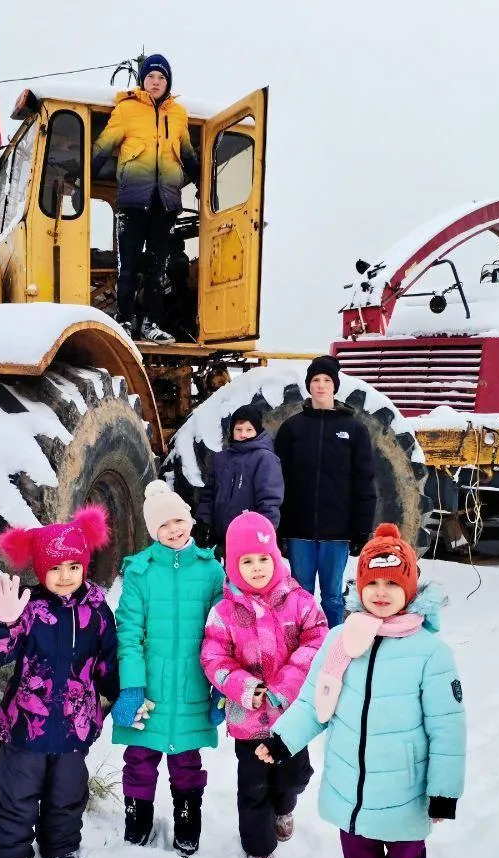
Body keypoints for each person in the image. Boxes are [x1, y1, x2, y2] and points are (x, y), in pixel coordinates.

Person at [256, 524, 465, 858]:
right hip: (351, 790)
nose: (383, 593)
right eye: (374, 583)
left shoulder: (430, 652)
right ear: (360, 586)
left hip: (404, 794)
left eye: (393, 583)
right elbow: (315, 702)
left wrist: (443, 792)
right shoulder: (341, 640)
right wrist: (281, 741)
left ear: (410, 588)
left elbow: (448, 728)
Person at [0, 505, 118, 858]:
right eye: (55, 568)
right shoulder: (30, 608)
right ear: (42, 570)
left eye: (73, 567)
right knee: (18, 793)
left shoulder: (96, 608)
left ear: (84, 566)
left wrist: (121, 693)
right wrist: (5, 623)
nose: (65, 576)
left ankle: (60, 847)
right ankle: (12, 854)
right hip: (28, 725)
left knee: (67, 794)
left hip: (76, 727)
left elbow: (107, 658)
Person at [200, 511, 327, 858]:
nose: (257, 568)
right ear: (233, 564)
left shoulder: (299, 601)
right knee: (253, 789)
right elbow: (213, 657)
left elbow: (317, 642)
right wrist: (244, 687)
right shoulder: (224, 612)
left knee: (292, 777)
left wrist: (283, 688)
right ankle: (259, 846)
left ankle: (285, 808)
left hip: (291, 718)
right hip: (248, 719)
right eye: (247, 561)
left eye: (263, 559)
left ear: (275, 557)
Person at [110, 479, 224, 856]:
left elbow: (223, 633)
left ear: (189, 519)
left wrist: (220, 687)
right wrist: (131, 687)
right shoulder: (140, 572)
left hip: (193, 684)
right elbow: (128, 632)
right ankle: (137, 818)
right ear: (152, 531)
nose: (173, 530)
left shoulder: (211, 572)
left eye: (178, 521)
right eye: (162, 525)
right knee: (140, 757)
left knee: (187, 758)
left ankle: (187, 820)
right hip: (150, 688)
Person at [91, 53, 199, 344]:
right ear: (143, 80)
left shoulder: (178, 114)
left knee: (157, 268)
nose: (155, 82)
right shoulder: (127, 109)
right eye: (151, 76)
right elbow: (105, 144)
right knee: (128, 266)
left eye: (161, 77)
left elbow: (187, 153)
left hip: (164, 204)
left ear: (168, 82)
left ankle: (151, 323)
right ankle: (125, 321)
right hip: (132, 201)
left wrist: (205, 182)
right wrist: (81, 173)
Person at [275, 355, 377, 626]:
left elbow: (364, 481)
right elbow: (277, 481)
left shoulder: (354, 429)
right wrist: (279, 528)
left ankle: (334, 647)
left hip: (337, 532)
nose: (321, 385)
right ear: (309, 385)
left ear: (335, 386)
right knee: (301, 594)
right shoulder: (292, 428)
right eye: (316, 380)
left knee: (332, 596)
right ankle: (301, 649)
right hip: (299, 531)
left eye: (327, 380)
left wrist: (360, 529)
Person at [192, 404, 284, 551]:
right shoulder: (221, 459)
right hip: (222, 537)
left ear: (258, 431)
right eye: (238, 429)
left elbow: (270, 500)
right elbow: (209, 495)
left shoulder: (265, 459)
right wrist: (204, 522)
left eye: (249, 429)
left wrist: (264, 533)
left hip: (250, 537)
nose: (243, 434)